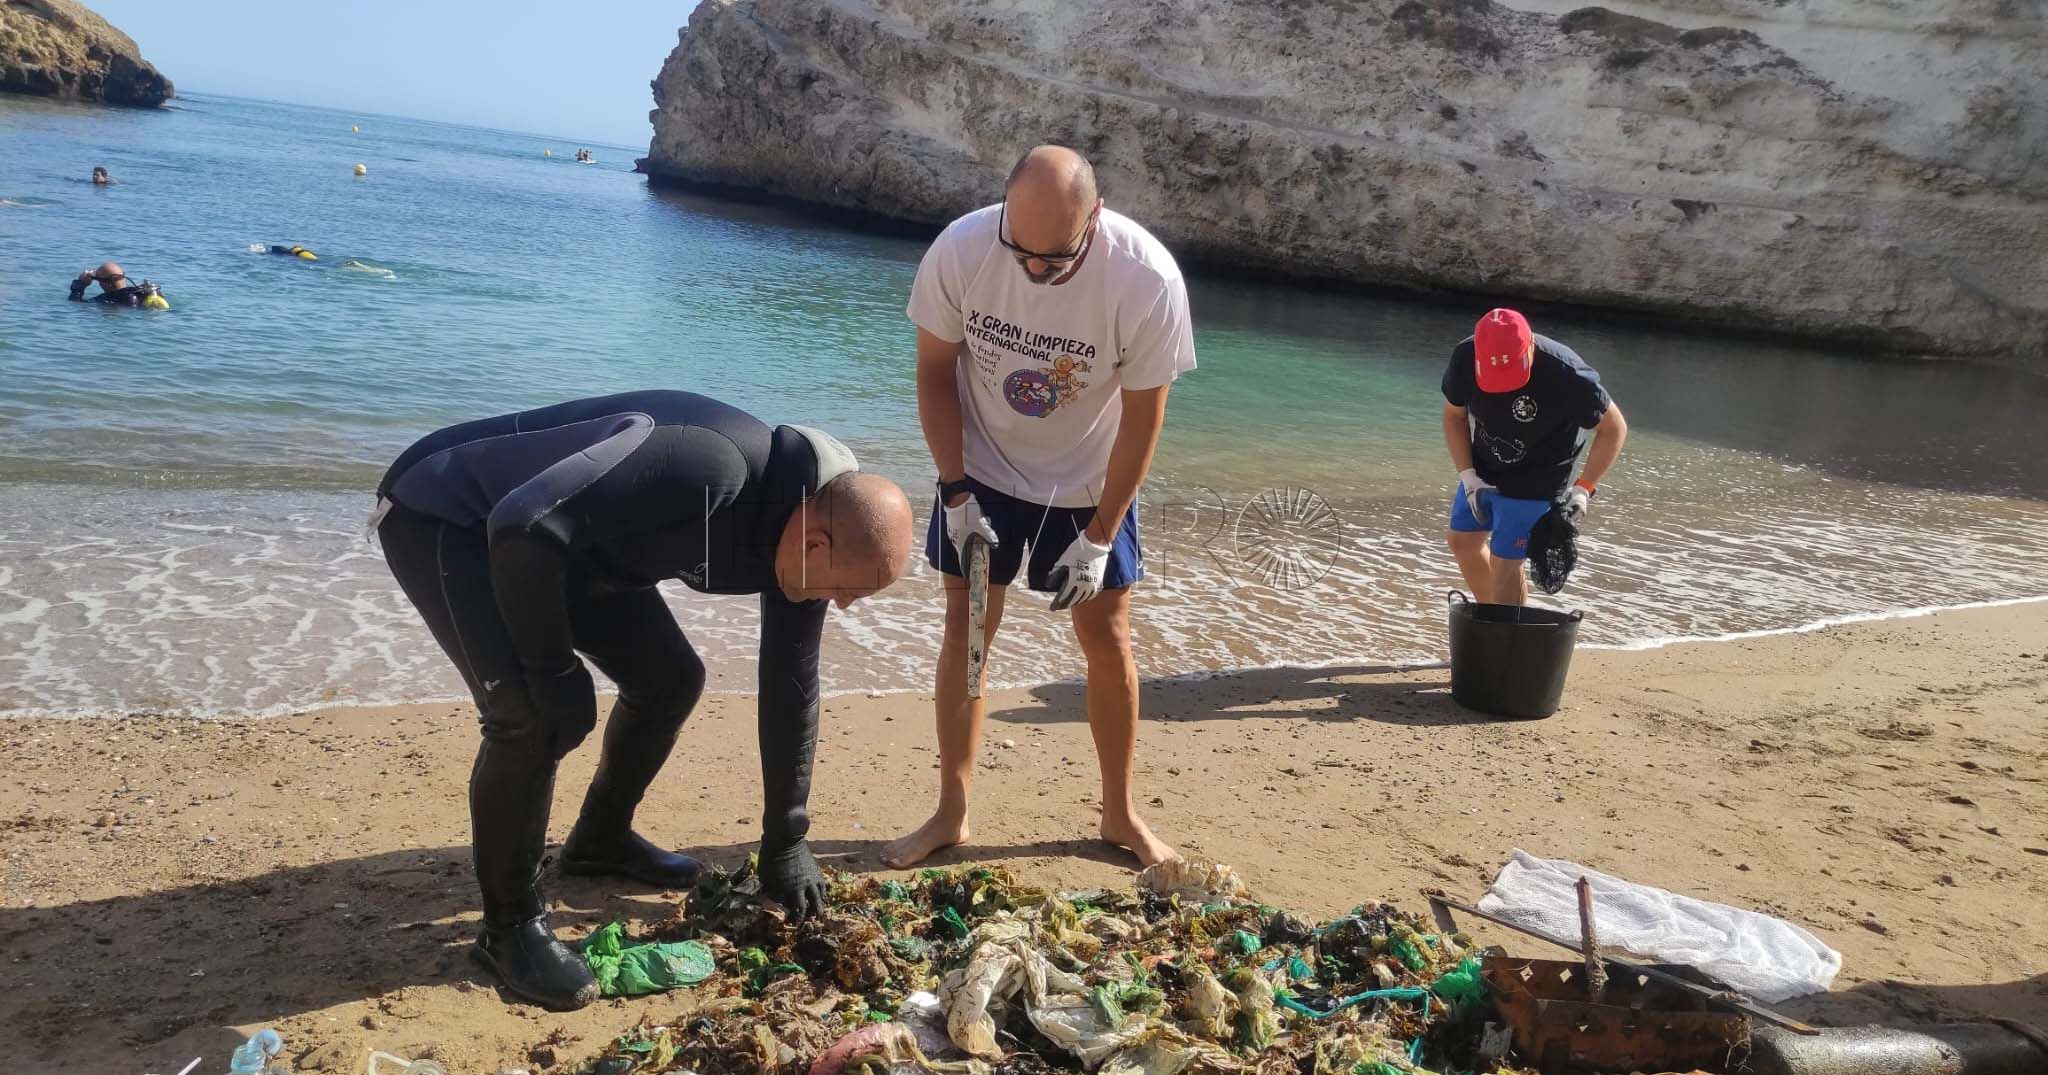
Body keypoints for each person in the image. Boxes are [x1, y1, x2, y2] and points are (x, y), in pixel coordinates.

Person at [373, 390, 914, 1010]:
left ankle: (599, 841)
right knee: (530, 716)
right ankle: (509, 928)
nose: (843, 605)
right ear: (816, 545)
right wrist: (553, 671)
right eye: (849, 589)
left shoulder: (807, 535)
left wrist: (785, 840)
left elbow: (793, 683)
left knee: (669, 680)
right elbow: (523, 523)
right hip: (451, 518)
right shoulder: (711, 469)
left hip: (567, 551)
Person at [883, 145, 1196, 870]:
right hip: (981, 469)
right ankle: (952, 810)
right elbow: (933, 373)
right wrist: (956, 491)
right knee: (968, 629)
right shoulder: (962, 248)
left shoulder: (1146, 278)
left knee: (1107, 634)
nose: (1031, 268)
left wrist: (1101, 534)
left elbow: (1144, 419)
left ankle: (1119, 813)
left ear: (1096, 217)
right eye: (1019, 249)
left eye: (1053, 259)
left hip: (1088, 479)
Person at [1442, 308, 1628, 605]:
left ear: (1529, 347)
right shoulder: (1465, 356)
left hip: (1540, 478)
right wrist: (1467, 475)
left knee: (1505, 562)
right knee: (1462, 541)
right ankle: (1491, 618)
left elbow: (1613, 428)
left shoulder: (1567, 374)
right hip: (1484, 468)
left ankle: (1507, 629)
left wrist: (1584, 487)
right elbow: (1455, 416)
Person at [66, 262, 164, 308]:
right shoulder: (140, 292)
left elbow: (74, 303)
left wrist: (80, 285)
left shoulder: (105, 299)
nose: (99, 283)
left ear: (108, 284)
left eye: (99, 280)